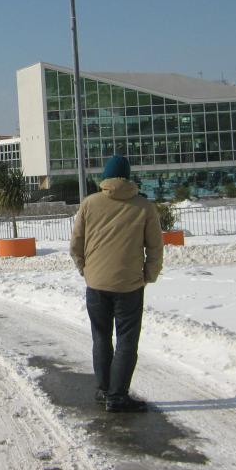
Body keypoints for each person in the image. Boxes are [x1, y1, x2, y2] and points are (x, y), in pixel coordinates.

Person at [70, 155, 163, 413]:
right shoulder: (144, 207)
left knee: (100, 336)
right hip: (129, 285)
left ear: (106, 177)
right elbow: (155, 248)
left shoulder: (89, 204)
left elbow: (76, 244)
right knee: (126, 340)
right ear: (128, 176)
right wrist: (148, 275)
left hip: (96, 284)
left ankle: (103, 389)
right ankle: (118, 396)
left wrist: (86, 270)